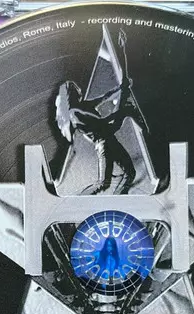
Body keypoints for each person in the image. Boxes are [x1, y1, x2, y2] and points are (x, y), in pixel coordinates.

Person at [55, 32, 146, 195]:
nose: (79, 90)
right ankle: (78, 203)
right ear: (70, 95)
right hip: (104, 144)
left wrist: (120, 89)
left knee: (129, 173)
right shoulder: (74, 113)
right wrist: (121, 112)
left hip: (110, 140)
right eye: (75, 89)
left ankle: (119, 201)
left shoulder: (83, 105)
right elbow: (103, 125)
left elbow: (104, 97)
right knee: (102, 184)